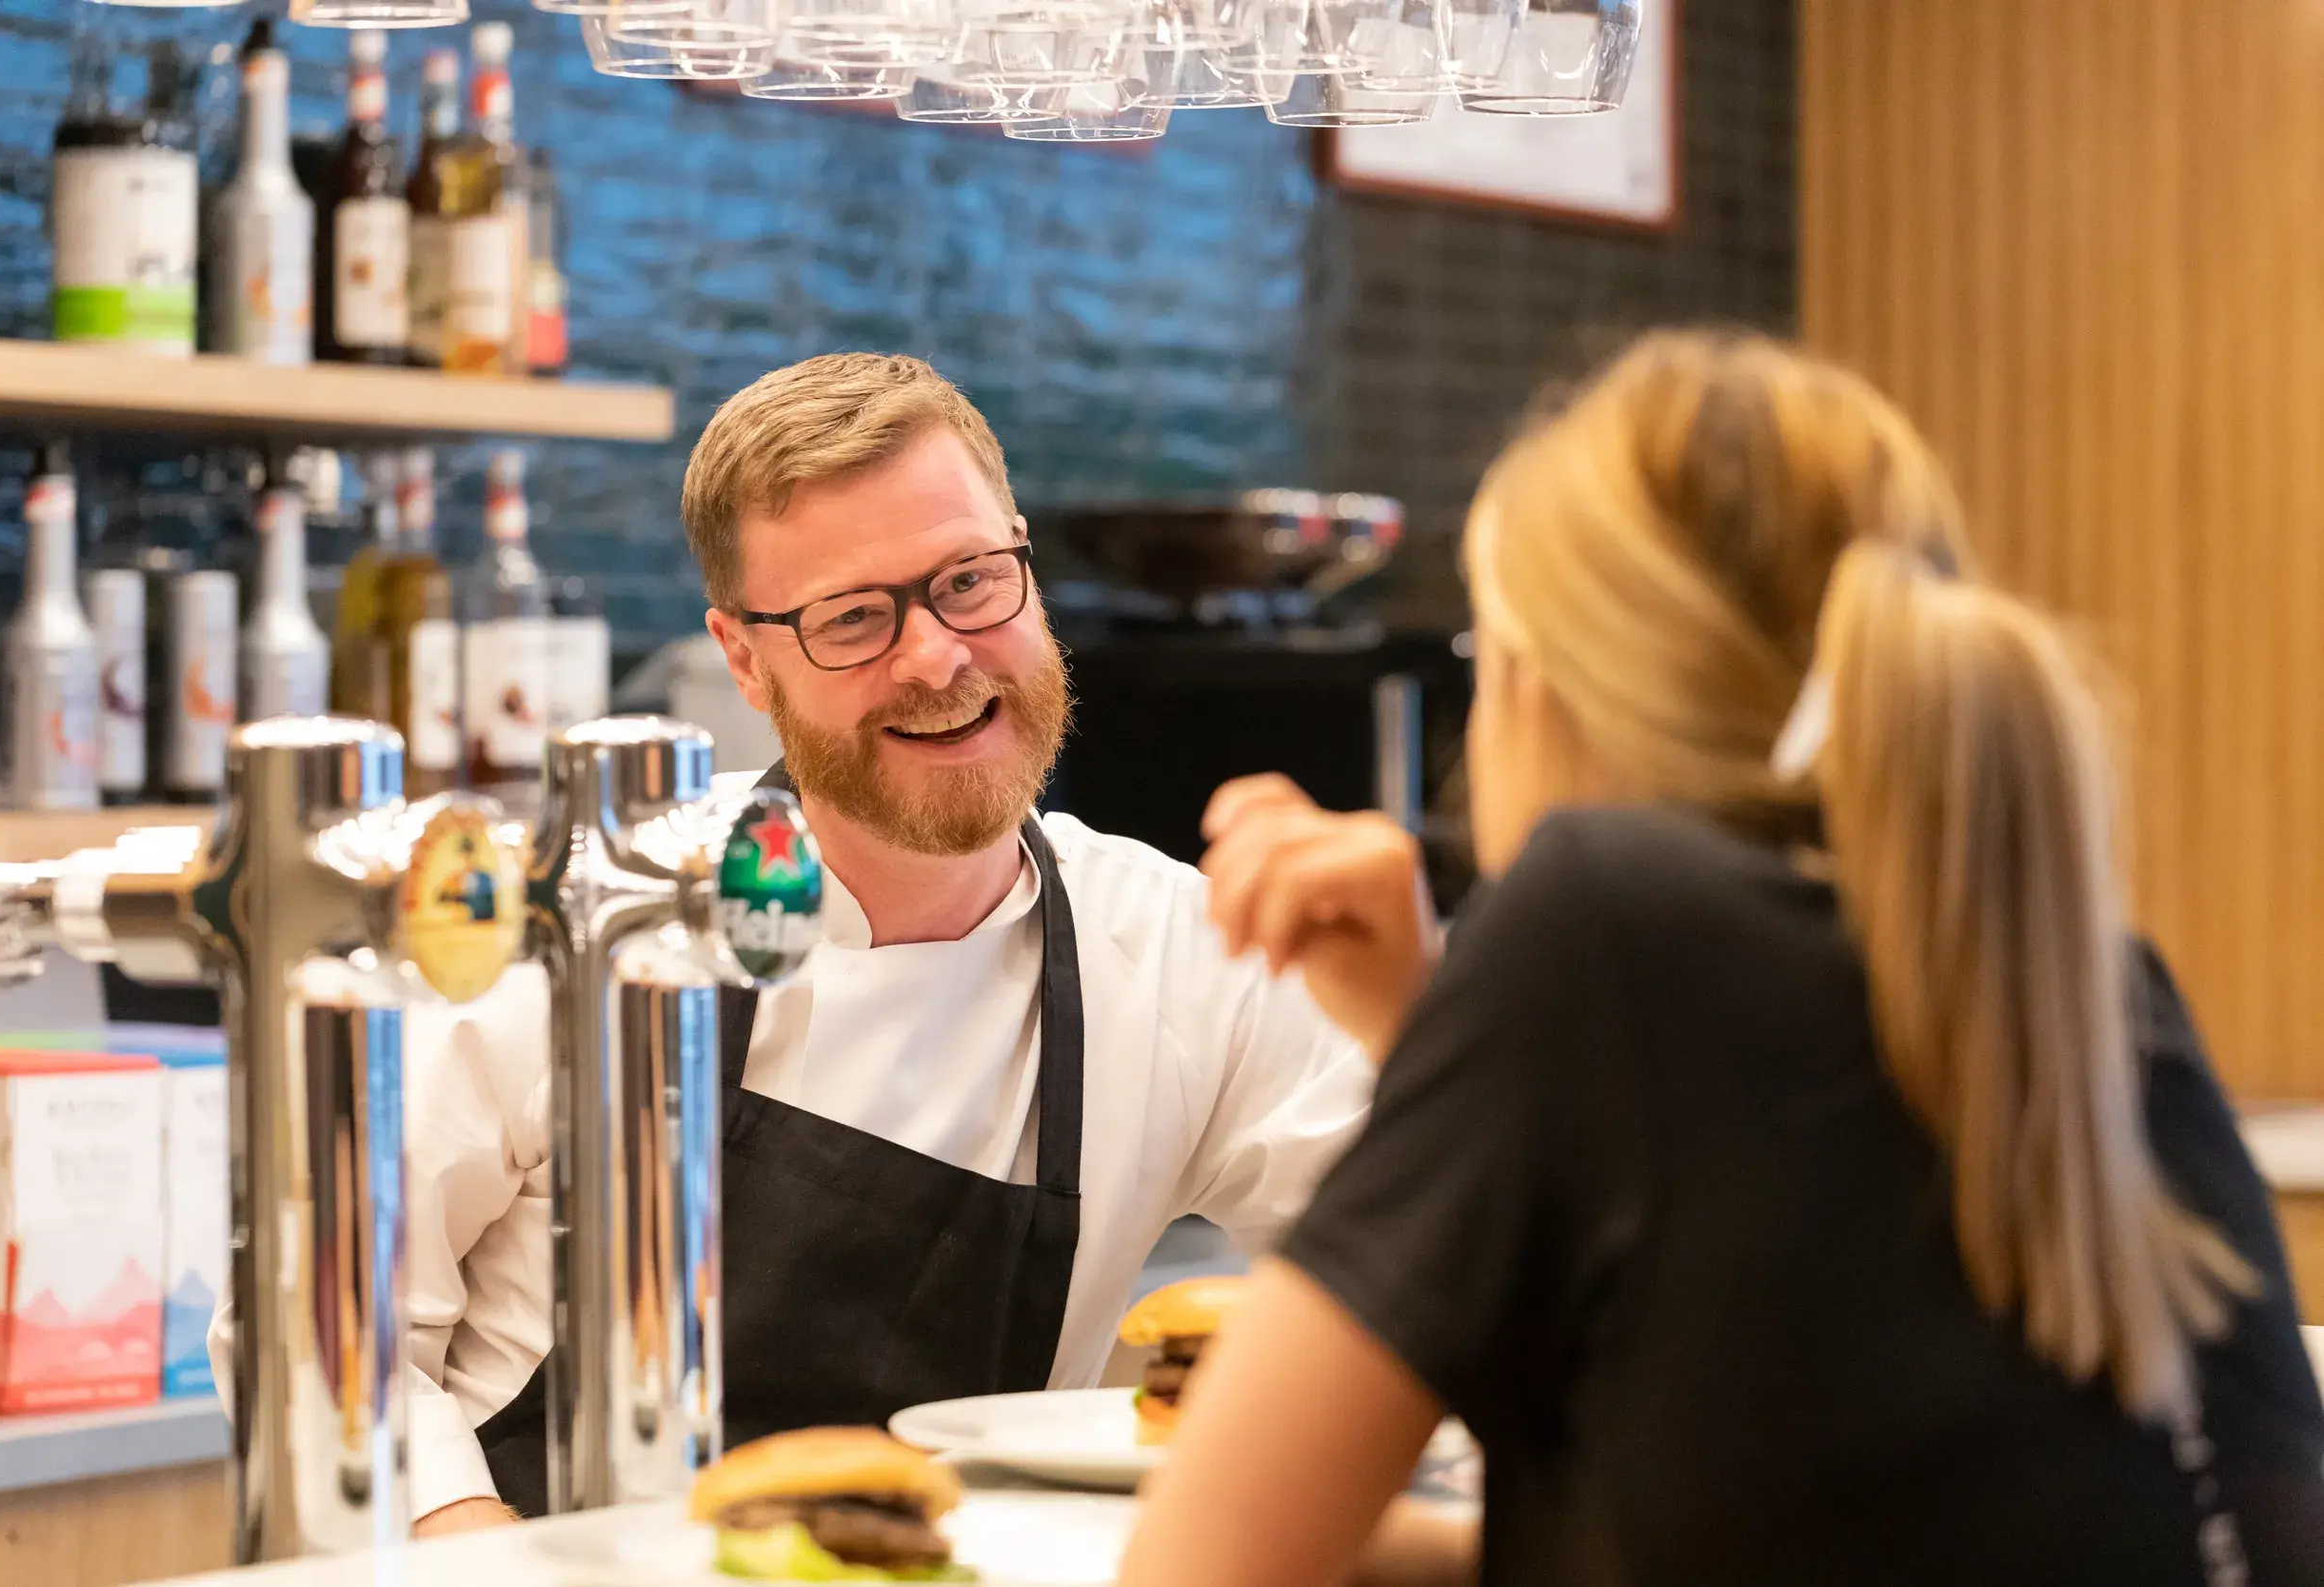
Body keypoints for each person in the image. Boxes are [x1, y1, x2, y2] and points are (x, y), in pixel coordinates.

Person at [1120, 330, 2324, 1587]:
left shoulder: (1603, 921)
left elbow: (1196, 1567)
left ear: (1546, 686)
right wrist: (1426, 1032)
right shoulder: (2084, 982)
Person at [397, 354, 1375, 1532]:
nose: (936, 656)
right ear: (745, 659)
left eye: (969, 580)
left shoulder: (1179, 952)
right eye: (853, 617)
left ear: (1023, 564)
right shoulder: (585, 915)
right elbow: (330, 1339)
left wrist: (1404, 997)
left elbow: (1416, 1278)